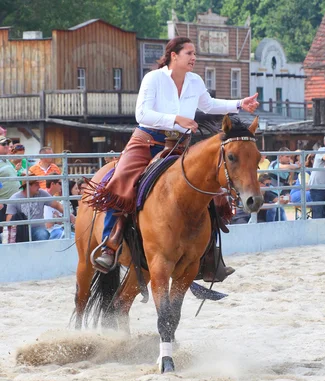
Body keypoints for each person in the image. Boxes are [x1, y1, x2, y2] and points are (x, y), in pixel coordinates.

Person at [88, 36, 259, 272]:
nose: (194, 58)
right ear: (174, 55)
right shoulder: (154, 78)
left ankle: (209, 255)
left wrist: (240, 104)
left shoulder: (195, 81)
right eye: (189, 53)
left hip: (179, 146)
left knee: (211, 191)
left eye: (194, 54)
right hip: (146, 141)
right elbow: (142, 114)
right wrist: (175, 119)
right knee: (120, 182)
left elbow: (208, 105)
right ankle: (110, 243)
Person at [6, 179, 75, 241]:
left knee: (42, 234)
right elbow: (9, 220)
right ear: (28, 186)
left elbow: (57, 205)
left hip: (38, 229)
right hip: (21, 231)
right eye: (36, 185)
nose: (39, 187)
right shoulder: (14, 198)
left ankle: (41, 254)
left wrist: (70, 214)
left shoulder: (41, 193)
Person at [0, 136, 21, 232]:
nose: (7, 146)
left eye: (7, 144)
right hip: (3, 203)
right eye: (3, 144)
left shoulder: (6, 160)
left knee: (11, 233)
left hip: (12, 203)